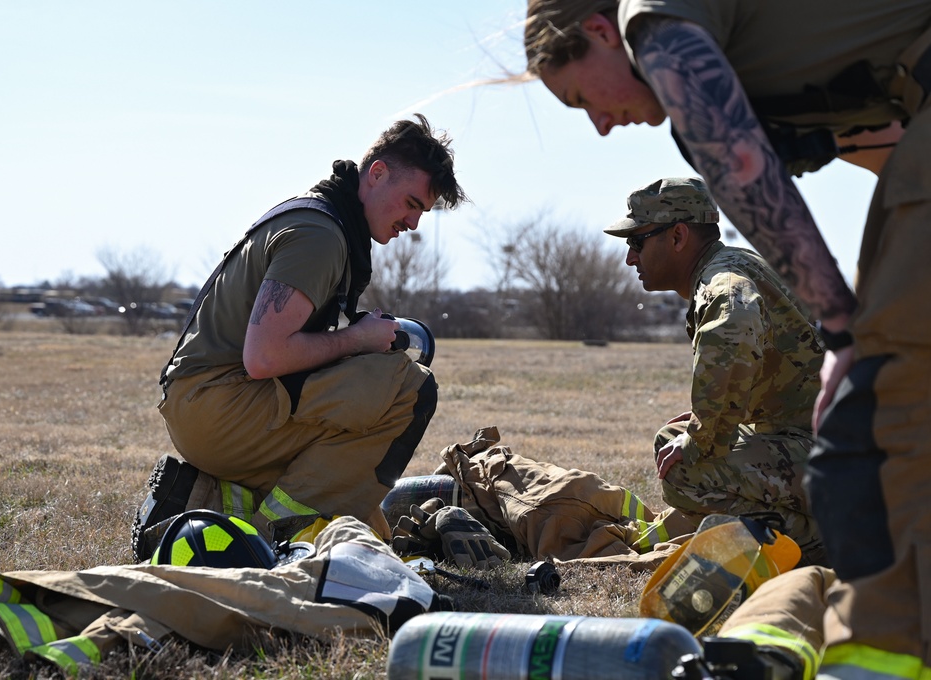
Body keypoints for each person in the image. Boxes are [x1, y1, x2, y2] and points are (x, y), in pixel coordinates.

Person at [522, 1, 931, 676]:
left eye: (579, 98)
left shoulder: (650, 23)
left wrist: (848, 334)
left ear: (601, 33)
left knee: (873, 434)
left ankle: (879, 652)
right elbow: (883, 137)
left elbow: (739, 162)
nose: (597, 126)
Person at [134, 114, 467, 560]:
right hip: (218, 405)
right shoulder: (321, 237)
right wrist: (359, 340)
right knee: (409, 388)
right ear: (377, 173)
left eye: (421, 212)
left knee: (364, 507)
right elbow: (265, 357)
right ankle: (279, 540)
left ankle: (202, 503)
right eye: (410, 203)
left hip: (207, 404)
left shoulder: (323, 220)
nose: (412, 222)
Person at [605, 176, 826, 566]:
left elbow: (736, 328)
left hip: (832, 455)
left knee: (685, 471)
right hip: (820, 440)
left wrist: (703, 435)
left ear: (677, 237)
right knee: (672, 439)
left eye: (637, 242)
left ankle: (826, 539)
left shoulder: (722, 284)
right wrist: (701, 426)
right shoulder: (738, 264)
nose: (630, 258)